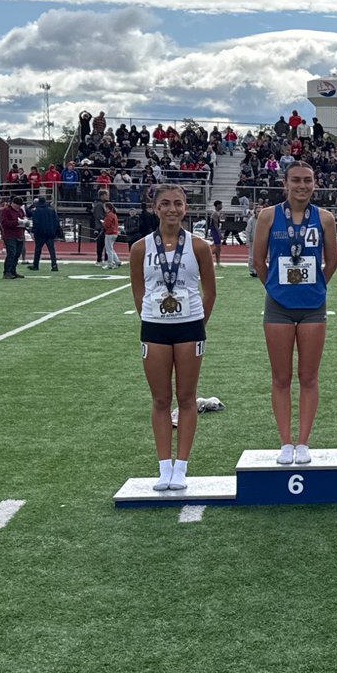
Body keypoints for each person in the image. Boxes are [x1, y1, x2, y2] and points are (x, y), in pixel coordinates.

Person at [129, 184, 216, 491]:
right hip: (154, 327)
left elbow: (210, 291)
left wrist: (195, 321)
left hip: (190, 327)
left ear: (185, 208)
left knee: (187, 398)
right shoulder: (140, 248)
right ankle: (163, 467)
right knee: (160, 398)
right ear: (155, 209)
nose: (172, 209)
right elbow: (138, 291)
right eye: (165, 203)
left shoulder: (199, 246)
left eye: (177, 203)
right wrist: (152, 315)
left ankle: (181, 467)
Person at [252, 162, 337, 465]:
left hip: (313, 305)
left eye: (308, 180)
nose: (302, 185)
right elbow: (258, 262)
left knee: (309, 377)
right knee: (280, 377)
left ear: (315, 183)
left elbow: (332, 263)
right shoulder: (267, 216)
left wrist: (314, 288)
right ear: (285, 183)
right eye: (296, 180)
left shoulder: (325, 219)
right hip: (278, 305)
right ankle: (285, 442)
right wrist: (276, 287)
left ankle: (303, 442)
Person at [26, 195, 60, 271]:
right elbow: (56, 221)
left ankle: (35, 265)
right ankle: (54, 265)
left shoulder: (36, 211)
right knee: (51, 249)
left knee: (38, 249)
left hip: (40, 233)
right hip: (50, 232)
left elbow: (34, 220)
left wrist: (33, 231)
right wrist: (55, 231)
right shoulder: (51, 210)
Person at [0, 196, 26, 279]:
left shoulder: (21, 210)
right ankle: (7, 272)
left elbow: (24, 218)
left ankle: (13, 271)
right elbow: (4, 223)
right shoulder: (6, 210)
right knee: (11, 253)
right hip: (9, 235)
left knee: (17, 254)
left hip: (20, 234)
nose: (19, 207)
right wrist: (16, 222)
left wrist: (25, 222)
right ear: (13, 203)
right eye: (18, 205)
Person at [102, 203, 121, 268]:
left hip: (109, 233)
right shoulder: (114, 215)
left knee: (108, 249)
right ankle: (117, 261)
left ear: (107, 208)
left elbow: (107, 225)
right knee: (111, 248)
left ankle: (110, 263)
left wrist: (103, 223)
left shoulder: (109, 215)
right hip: (114, 233)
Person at [207, 200, 224, 266]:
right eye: (221, 205)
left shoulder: (218, 213)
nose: (222, 206)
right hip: (215, 231)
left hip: (216, 231)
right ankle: (205, 256)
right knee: (217, 247)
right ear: (217, 205)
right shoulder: (215, 214)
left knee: (219, 248)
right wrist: (219, 233)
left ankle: (218, 262)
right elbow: (215, 224)